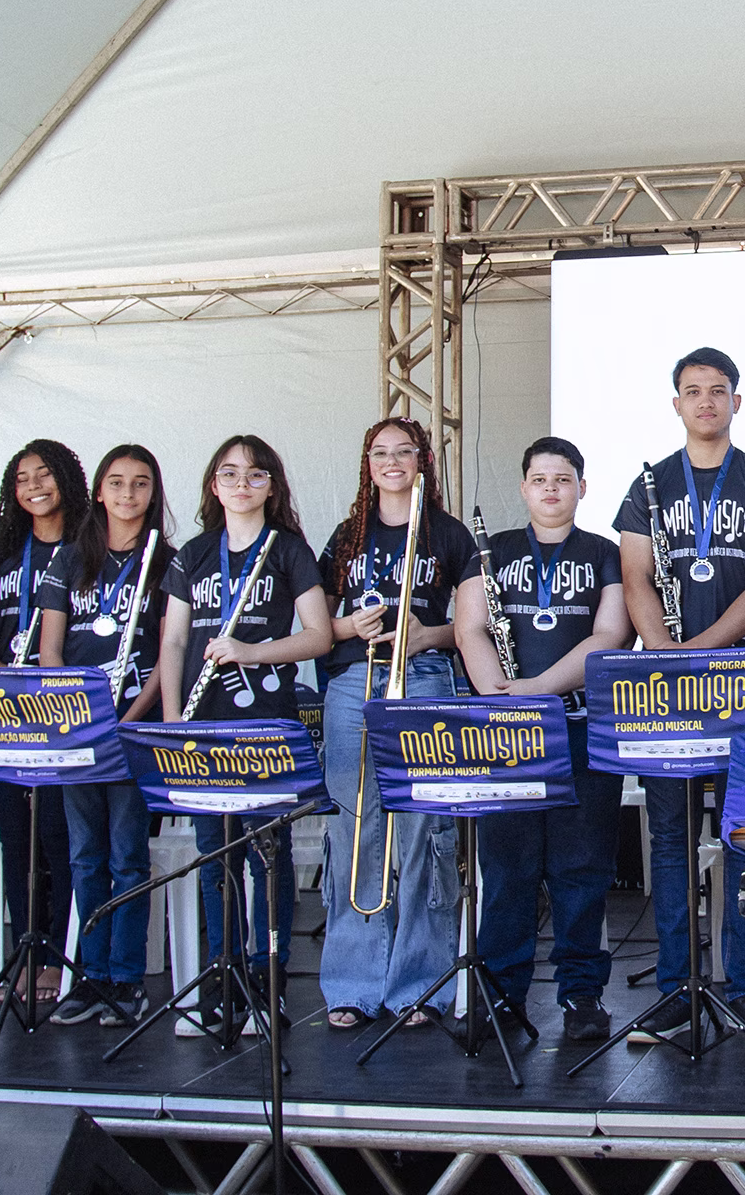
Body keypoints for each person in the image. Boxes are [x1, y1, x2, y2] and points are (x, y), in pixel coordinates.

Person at [612, 348, 745, 1043]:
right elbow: (635, 580)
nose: (706, 403)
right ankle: (677, 991)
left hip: (744, 680)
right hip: (666, 689)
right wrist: (665, 653)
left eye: (718, 392)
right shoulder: (649, 486)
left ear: (737, 402)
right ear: (677, 404)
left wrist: (704, 649)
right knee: (670, 842)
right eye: (693, 392)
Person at [456, 437, 631, 1047]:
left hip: (583, 728)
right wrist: (498, 697)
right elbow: (470, 627)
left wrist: (536, 690)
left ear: (582, 487)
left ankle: (581, 995)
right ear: (524, 487)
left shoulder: (605, 553)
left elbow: (609, 635)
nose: (551, 489)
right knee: (508, 869)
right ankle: (501, 995)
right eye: (539, 479)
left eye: (564, 479)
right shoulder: (491, 552)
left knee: (581, 870)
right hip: (505, 733)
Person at [160, 436, 334, 1032]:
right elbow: (175, 642)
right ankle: (221, 975)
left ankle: (270, 974)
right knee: (215, 854)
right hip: (202, 723)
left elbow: (319, 636)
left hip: (266, 720)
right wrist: (170, 721)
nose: (242, 484)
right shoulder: (192, 554)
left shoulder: (288, 550)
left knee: (268, 853)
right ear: (214, 485)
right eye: (229, 474)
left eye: (255, 475)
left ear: (271, 486)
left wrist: (253, 652)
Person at [316, 417, 476, 1033]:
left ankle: (420, 986)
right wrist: (349, 628)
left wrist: (419, 635)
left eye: (403, 452)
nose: (391, 462)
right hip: (355, 682)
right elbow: (316, 625)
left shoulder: (449, 535)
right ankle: (353, 984)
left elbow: (468, 629)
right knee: (357, 834)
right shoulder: (345, 536)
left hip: (426, 677)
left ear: (422, 461)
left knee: (422, 836)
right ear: (368, 463)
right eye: (379, 452)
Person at [36, 443, 173, 1028]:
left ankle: (124, 977)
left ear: (152, 493)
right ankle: (87, 977)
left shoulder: (166, 561)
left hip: (130, 729)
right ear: (99, 491)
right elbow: (50, 647)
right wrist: (72, 714)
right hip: (76, 731)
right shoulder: (70, 559)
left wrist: (130, 717)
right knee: (85, 857)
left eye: (140, 484)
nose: (127, 494)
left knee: (127, 855)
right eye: (116, 483)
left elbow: (171, 653)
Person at [0, 440, 86, 1006]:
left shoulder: (89, 549)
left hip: (64, 713)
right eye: (22, 478)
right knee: (16, 837)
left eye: (45, 474)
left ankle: (63, 962)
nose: (34, 485)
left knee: (61, 837)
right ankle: (28, 951)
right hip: (3, 711)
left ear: (67, 479)